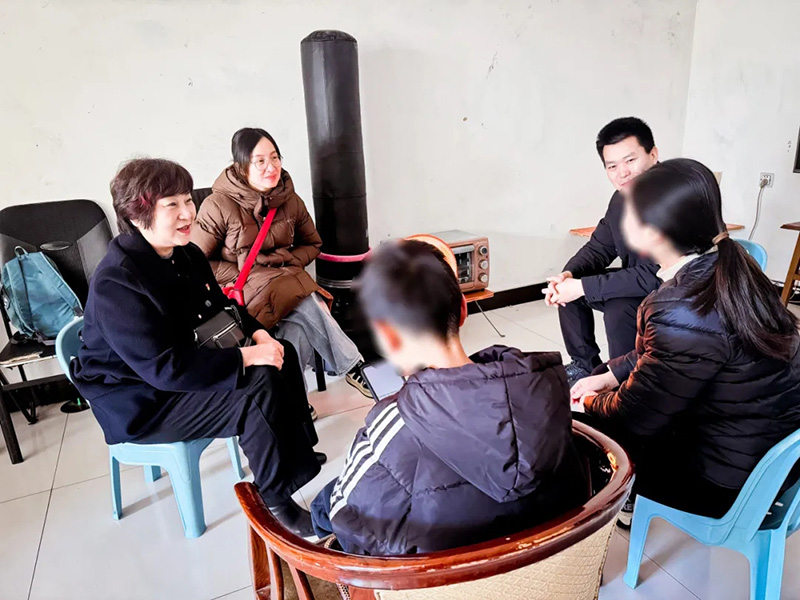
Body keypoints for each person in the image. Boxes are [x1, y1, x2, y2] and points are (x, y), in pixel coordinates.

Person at [71, 158, 326, 537]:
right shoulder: (117, 281)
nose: (188, 212)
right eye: (172, 205)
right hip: (142, 401)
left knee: (281, 353)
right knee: (254, 389)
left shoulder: (186, 254)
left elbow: (222, 310)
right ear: (137, 213)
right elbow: (165, 369)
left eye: (188, 200)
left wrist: (259, 336)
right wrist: (245, 356)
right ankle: (276, 504)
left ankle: (295, 454)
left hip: (177, 368)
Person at [310, 240, 588, 555]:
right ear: (463, 309)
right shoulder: (545, 390)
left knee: (330, 501)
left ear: (388, 337)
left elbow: (351, 530)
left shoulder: (390, 425)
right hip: (549, 569)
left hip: (446, 578)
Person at [571, 158, 800, 525]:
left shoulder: (678, 306)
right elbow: (676, 352)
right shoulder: (736, 262)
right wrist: (610, 375)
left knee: (580, 430)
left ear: (653, 232)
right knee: (601, 385)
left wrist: (586, 403)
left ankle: (612, 507)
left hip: (728, 482)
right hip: (770, 455)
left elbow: (636, 416)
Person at [192, 128, 372, 403]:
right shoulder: (218, 205)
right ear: (241, 166)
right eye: (260, 161)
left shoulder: (290, 200)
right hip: (241, 296)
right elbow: (196, 261)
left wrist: (284, 263)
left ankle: (293, 401)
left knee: (296, 326)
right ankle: (353, 366)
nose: (271, 167)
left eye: (275, 157)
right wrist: (247, 273)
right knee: (305, 297)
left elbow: (313, 243)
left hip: (281, 286)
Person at [545, 117, 661, 386]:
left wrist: (583, 287)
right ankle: (585, 366)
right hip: (641, 282)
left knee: (620, 306)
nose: (623, 173)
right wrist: (568, 275)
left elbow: (659, 274)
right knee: (570, 289)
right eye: (612, 166)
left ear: (653, 154)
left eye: (630, 160)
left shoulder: (675, 198)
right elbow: (599, 247)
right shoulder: (621, 199)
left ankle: (625, 381)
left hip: (677, 292)